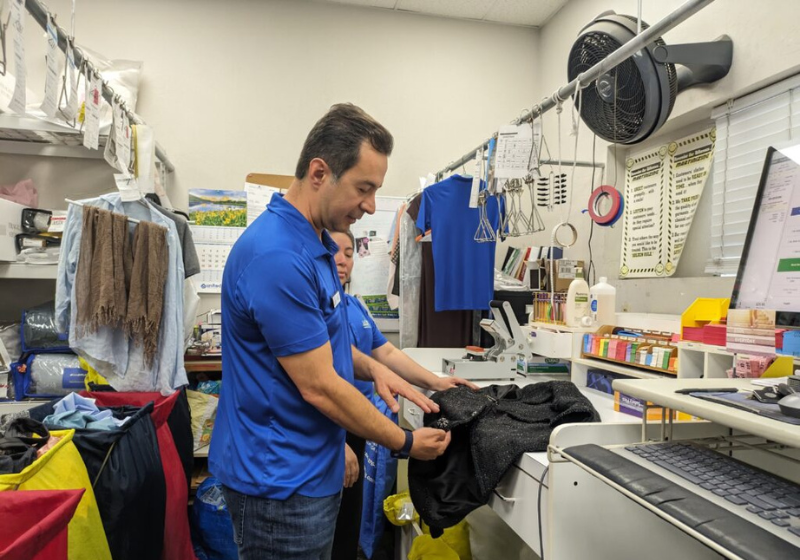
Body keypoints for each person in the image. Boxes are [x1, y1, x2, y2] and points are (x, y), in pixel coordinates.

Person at [209, 103, 451, 560]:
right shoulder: (278, 257)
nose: (371, 205)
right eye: (364, 188)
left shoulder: (316, 245)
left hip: (307, 467)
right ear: (320, 173)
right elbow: (319, 385)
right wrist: (404, 442)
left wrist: (375, 370)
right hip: (279, 484)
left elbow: (321, 346)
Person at [329, 230, 477, 560]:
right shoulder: (315, 311)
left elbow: (387, 354)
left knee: (349, 525)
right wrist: (334, 444)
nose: (342, 260)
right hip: (331, 428)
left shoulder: (354, 306)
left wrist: (437, 382)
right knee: (332, 532)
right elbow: (311, 384)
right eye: (334, 251)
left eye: (349, 253)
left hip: (359, 425)